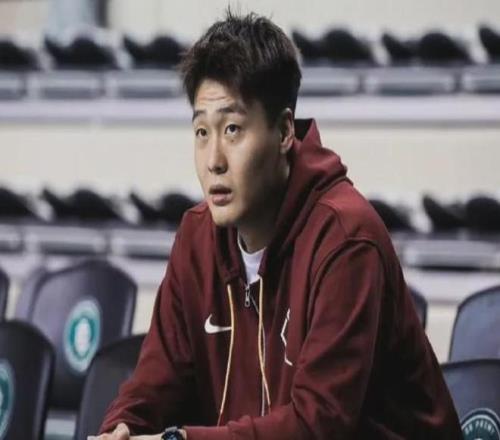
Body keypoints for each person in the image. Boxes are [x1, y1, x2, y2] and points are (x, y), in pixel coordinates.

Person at [94, 10, 461, 440]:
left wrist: (181, 439)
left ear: (285, 131)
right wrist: (122, 428)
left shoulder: (346, 240)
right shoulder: (196, 237)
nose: (213, 160)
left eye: (233, 129)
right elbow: (156, 380)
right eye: (201, 132)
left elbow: (317, 426)